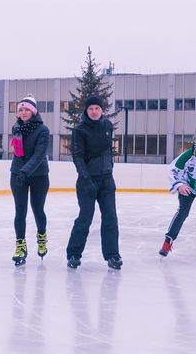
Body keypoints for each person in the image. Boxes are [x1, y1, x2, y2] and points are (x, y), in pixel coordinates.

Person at [66, 96, 123, 270]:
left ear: (101, 110)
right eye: (90, 108)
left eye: (97, 108)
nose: (94, 111)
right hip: (87, 182)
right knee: (85, 218)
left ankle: (112, 255)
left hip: (106, 180)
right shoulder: (80, 130)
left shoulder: (107, 126)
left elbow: (107, 151)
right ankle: (74, 255)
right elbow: (78, 156)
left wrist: (110, 171)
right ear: (86, 110)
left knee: (110, 218)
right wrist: (87, 180)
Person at [10, 94, 50, 266]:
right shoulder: (16, 128)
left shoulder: (43, 130)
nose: (24, 112)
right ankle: (20, 245)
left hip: (39, 175)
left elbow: (39, 155)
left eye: (27, 109)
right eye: (21, 110)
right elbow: (18, 154)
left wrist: (25, 171)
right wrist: (19, 172)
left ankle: (41, 236)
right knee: (20, 211)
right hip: (18, 174)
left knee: (37, 209)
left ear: (33, 111)